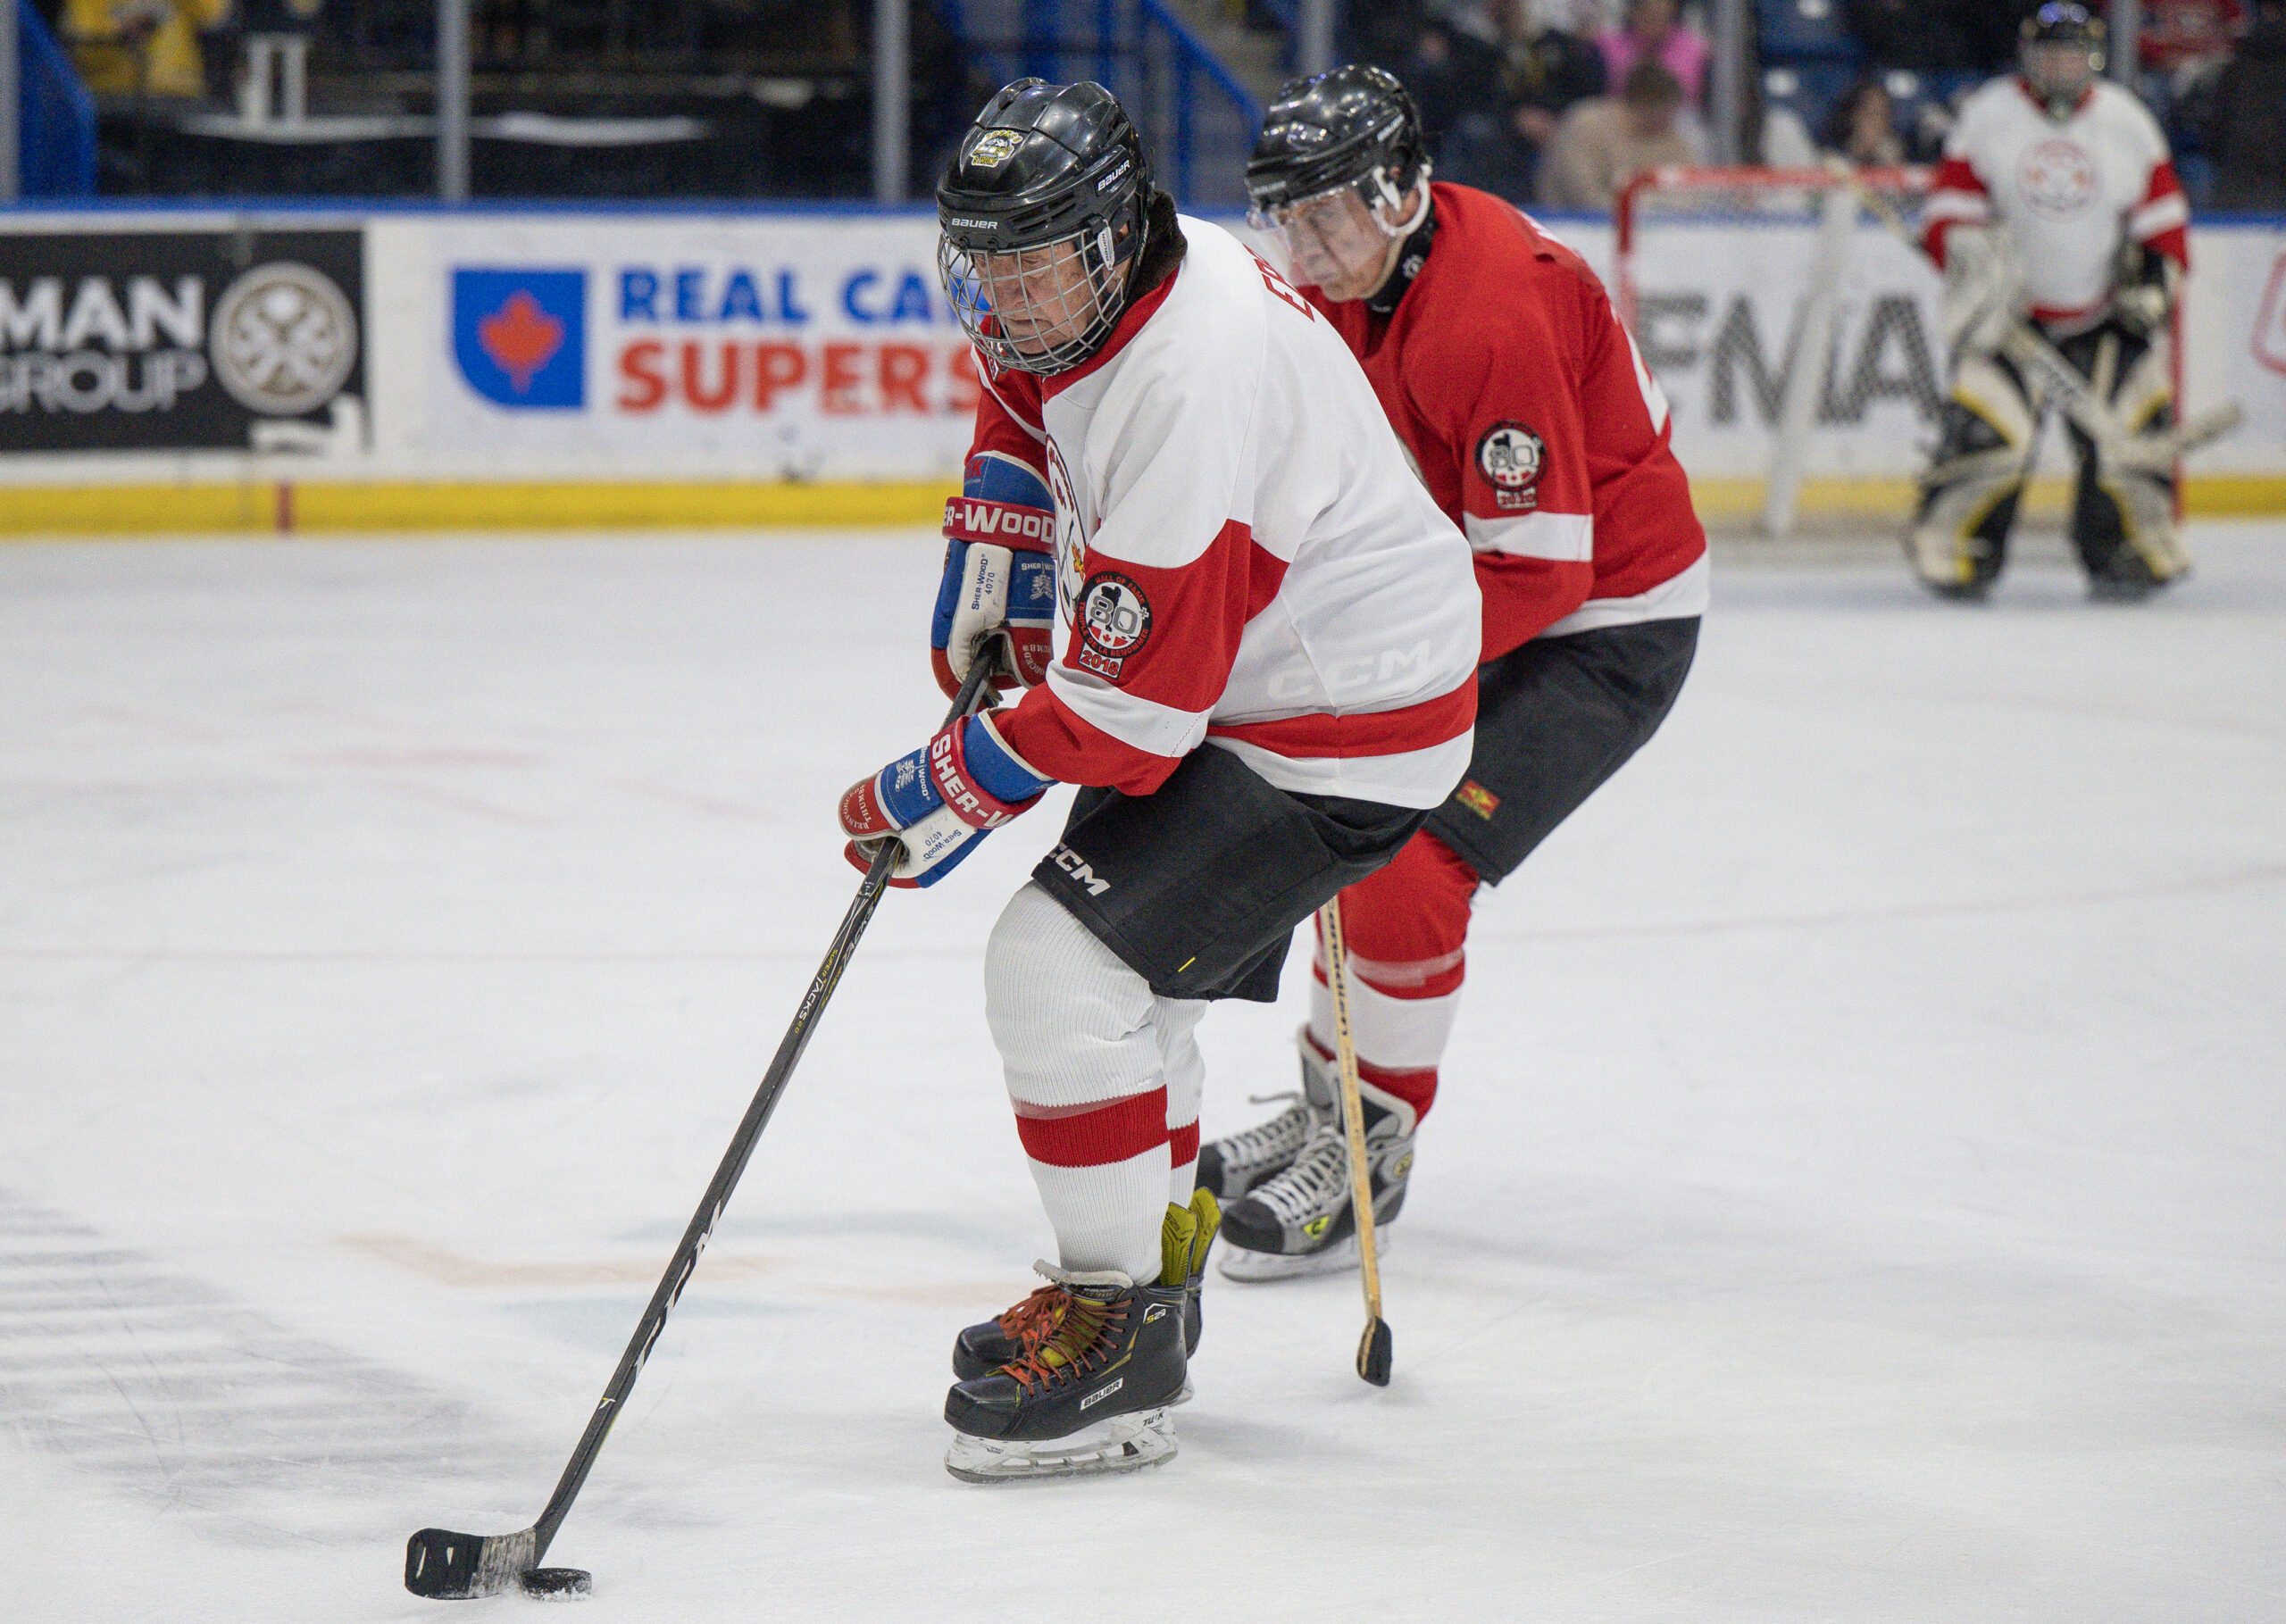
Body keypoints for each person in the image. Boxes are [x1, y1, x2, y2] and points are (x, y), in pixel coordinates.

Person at [843, 79, 1482, 1481]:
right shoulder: (1115, 278)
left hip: (1338, 722)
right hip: (1275, 679)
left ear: (1118, 231)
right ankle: (1147, 1292)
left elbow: (1133, 720)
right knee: (1134, 993)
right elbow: (1025, 382)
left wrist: (951, 778)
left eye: (1040, 261)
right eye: (990, 264)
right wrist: (1005, 516)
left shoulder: (1194, 376)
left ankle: (1119, 1332)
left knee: (1059, 969)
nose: (1013, 295)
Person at [1211, 64, 1705, 1279]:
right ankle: (1326, 1105)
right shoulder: (1349, 282)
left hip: (1603, 626)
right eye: (1287, 217)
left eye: (1328, 215)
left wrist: (1365, 671)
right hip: (1470, 593)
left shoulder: (1492, 311)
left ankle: (1370, 1143)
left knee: (1413, 860)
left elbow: (1542, 569)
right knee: (1336, 823)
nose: (1304, 249)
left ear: (1397, 192)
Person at [1907, 3, 2194, 601]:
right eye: (2051, 54)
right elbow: (1947, 213)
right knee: (1990, 437)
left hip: (2103, 318)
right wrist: (1971, 264)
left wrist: (2151, 286)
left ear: (2094, 59)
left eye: (2073, 54)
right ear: (2028, 58)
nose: (2062, 66)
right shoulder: (1990, 114)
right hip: (2008, 322)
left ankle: (2127, 549)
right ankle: (1959, 548)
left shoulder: (2127, 120)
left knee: (2131, 439)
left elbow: (2164, 222)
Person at [1537, 60, 1695, 213]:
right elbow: (1583, 196)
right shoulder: (1586, 126)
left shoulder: (1671, 138)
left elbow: (1690, 194)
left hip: (1647, 223)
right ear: (1642, 105)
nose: (1668, 120)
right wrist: (1644, 210)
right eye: (1664, 112)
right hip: (1568, 222)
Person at [2205, 0, 2286, 209]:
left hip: (2237, 186)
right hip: (2249, 185)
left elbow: (2214, 133)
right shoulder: (2239, 68)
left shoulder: (2237, 66)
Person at [1597, 0, 1709, 106]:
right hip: (1620, 116)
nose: (1655, 8)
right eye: (1649, 11)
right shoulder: (1606, 47)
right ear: (1634, 10)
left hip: (1680, 117)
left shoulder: (1697, 50)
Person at [1821, 78, 1907, 167]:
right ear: (1854, 115)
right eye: (1870, 113)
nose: (1875, 122)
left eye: (1882, 114)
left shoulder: (1893, 156)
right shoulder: (1831, 158)